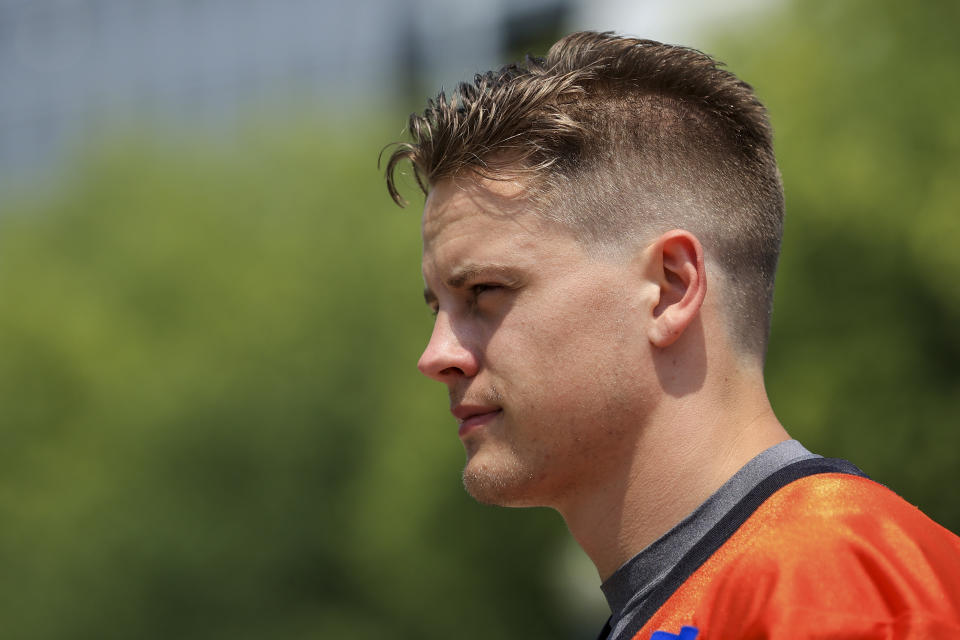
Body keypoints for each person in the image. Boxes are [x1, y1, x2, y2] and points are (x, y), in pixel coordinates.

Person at [383, 31, 960, 639]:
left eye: (485, 294)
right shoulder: (709, 596)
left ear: (670, 289)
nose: (437, 355)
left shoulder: (834, 593)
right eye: (438, 309)